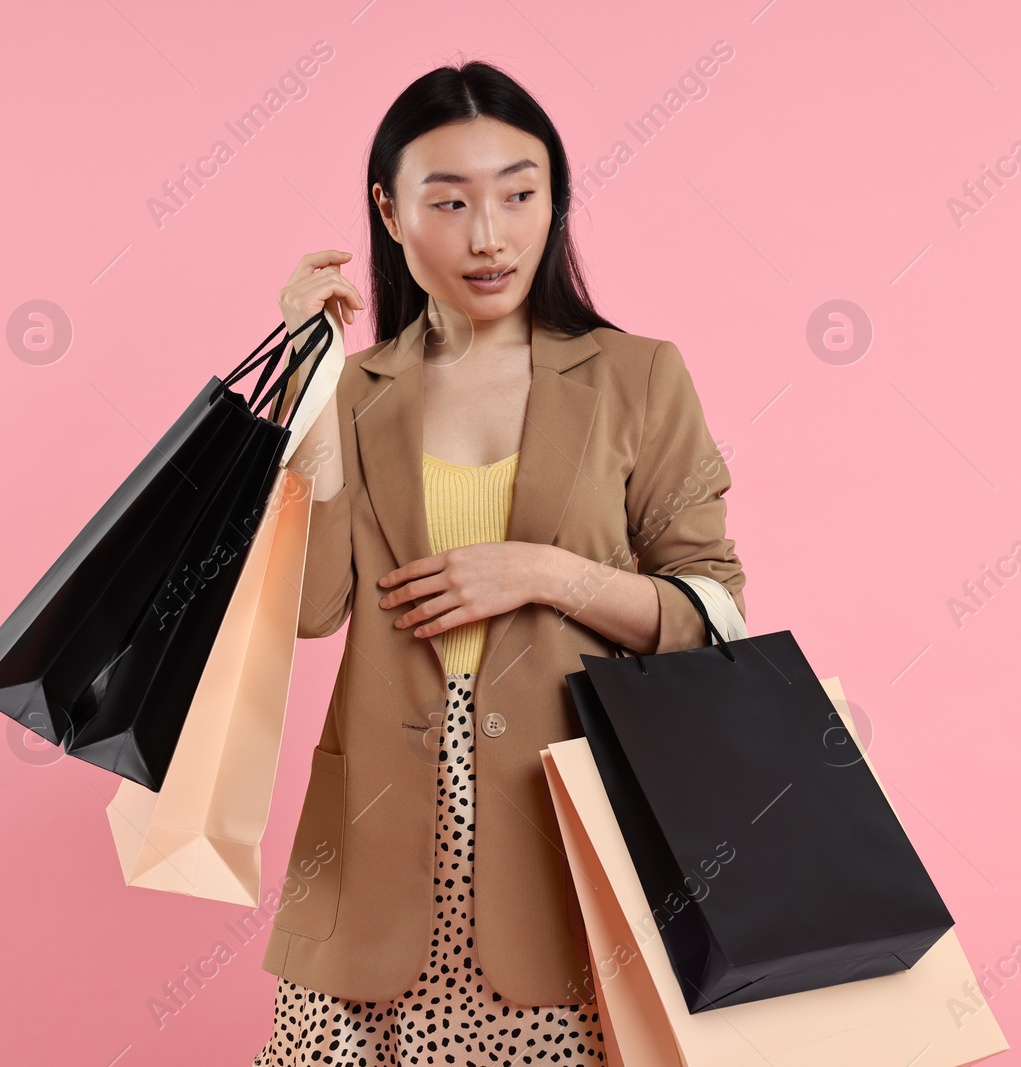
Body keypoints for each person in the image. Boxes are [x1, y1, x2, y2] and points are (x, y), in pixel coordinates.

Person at [252, 60, 746, 1066]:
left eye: (520, 194)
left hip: (569, 830)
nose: (490, 234)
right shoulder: (354, 390)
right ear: (390, 213)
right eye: (451, 201)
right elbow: (310, 609)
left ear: (554, 202)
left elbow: (712, 613)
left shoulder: (637, 376)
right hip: (378, 835)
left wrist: (545, 572)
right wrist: (304, 397)